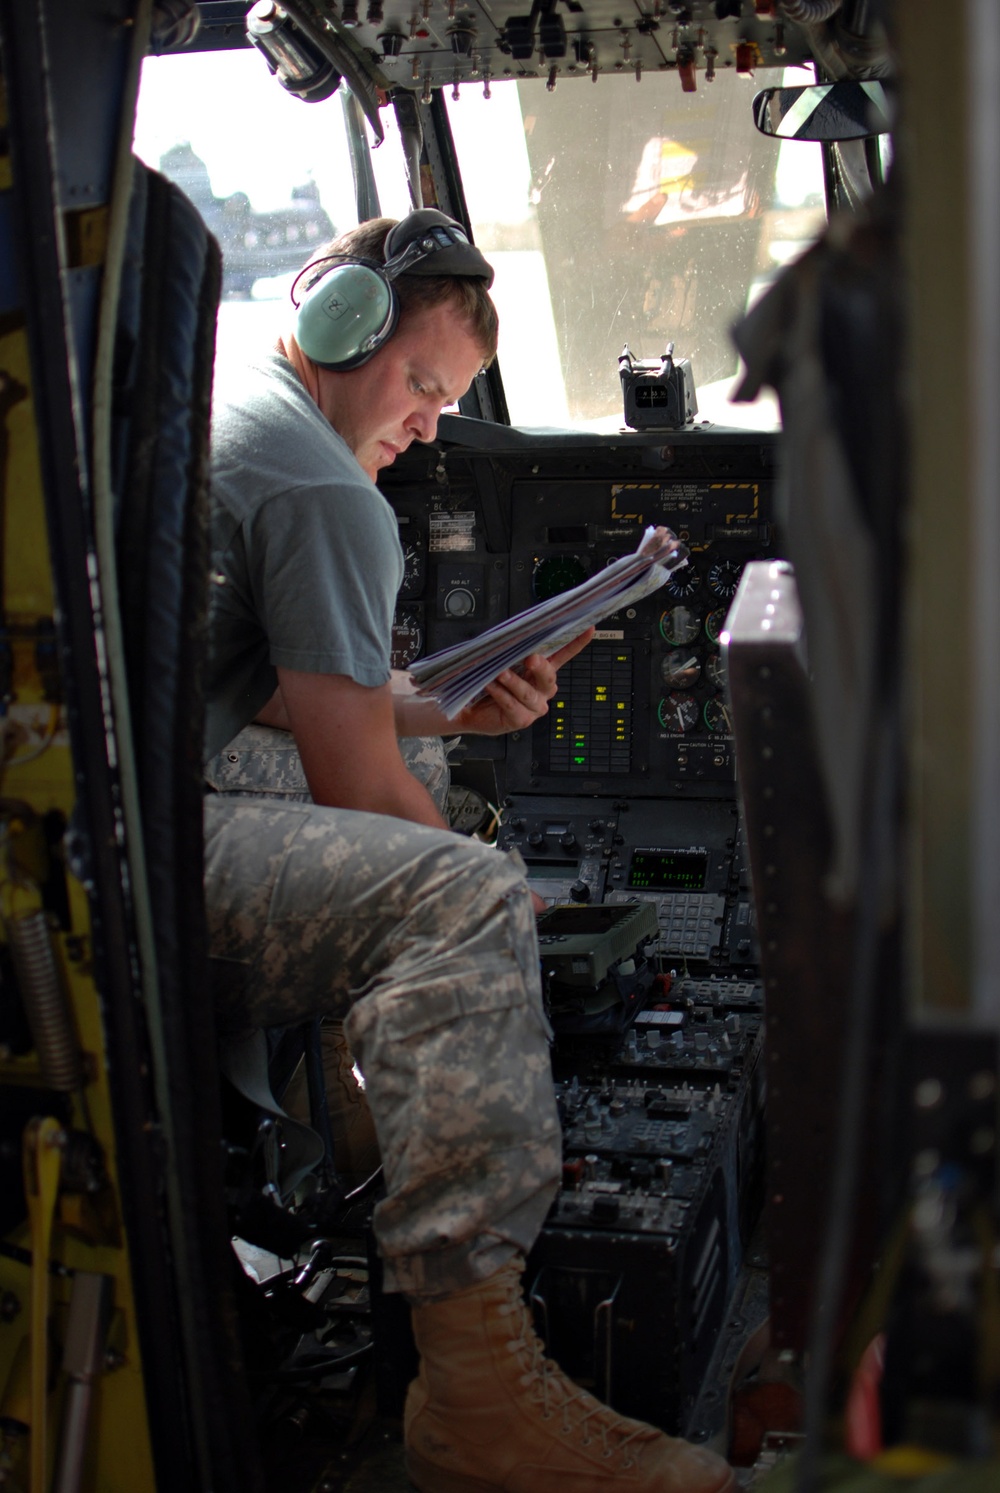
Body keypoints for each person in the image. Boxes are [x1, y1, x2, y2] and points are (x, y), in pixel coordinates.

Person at [203, 207, 735, 1493]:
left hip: (107, 799)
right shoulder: (326, 488)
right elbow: (352, 778)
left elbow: (276, 690)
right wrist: (505, 928)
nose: (435, 423)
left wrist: (444, 705)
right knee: (459, 890)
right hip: (121, 847)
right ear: (341, 324)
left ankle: (368, 1115)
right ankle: (480, 1389)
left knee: (434, 778)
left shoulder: (242, 424)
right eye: (424, 384)